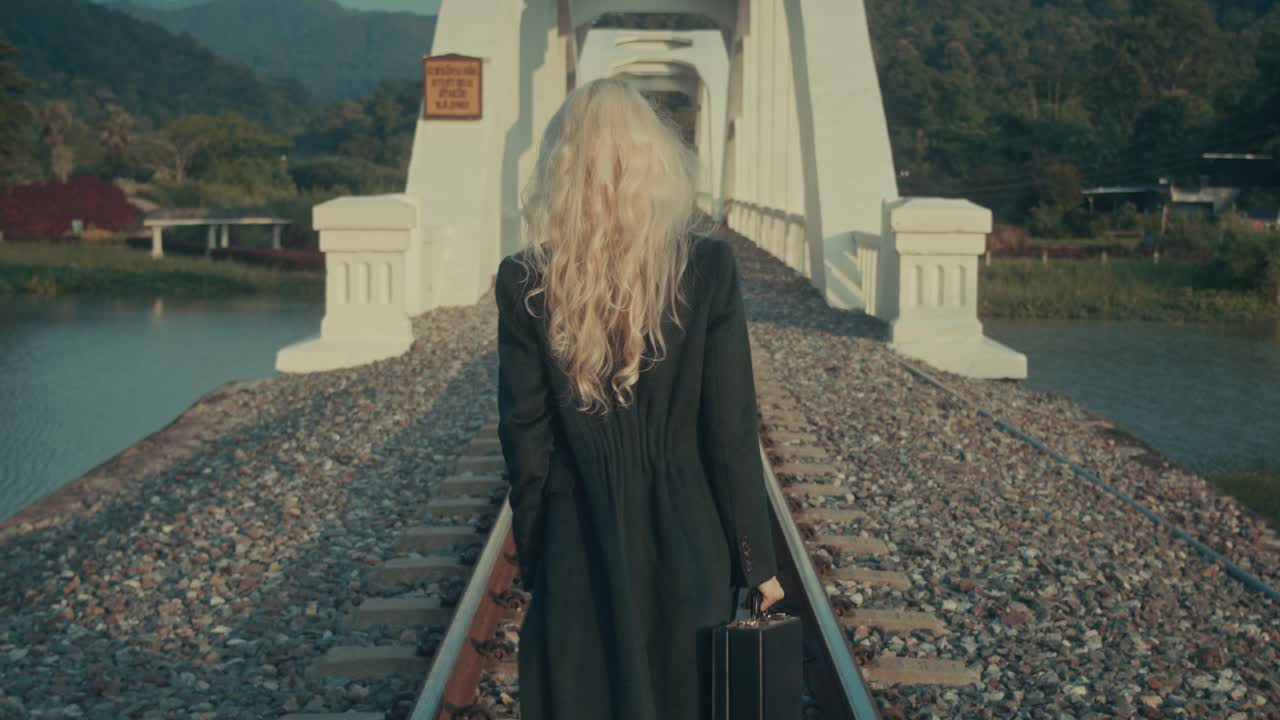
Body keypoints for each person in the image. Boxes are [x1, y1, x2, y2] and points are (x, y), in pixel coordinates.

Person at [494, 77, 784, 720]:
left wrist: (540, 551)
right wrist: (755, 562)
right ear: (657, 166)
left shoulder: (524, 279)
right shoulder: (709, 268)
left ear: (561, 168)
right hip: (691, 538)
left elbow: (524, 437)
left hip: (580, 537)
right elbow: (732, 432)